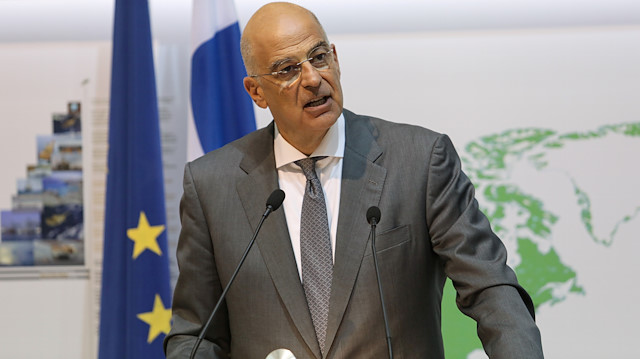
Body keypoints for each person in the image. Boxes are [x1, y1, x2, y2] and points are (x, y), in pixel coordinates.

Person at [164, 2, 544, 358]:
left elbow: (490, 289)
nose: (313, 78)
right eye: (288, 69)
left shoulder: (420, 160)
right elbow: (196, 334)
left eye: (318, 57)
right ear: (257, 92)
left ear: (336, 58)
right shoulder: (211, 185)